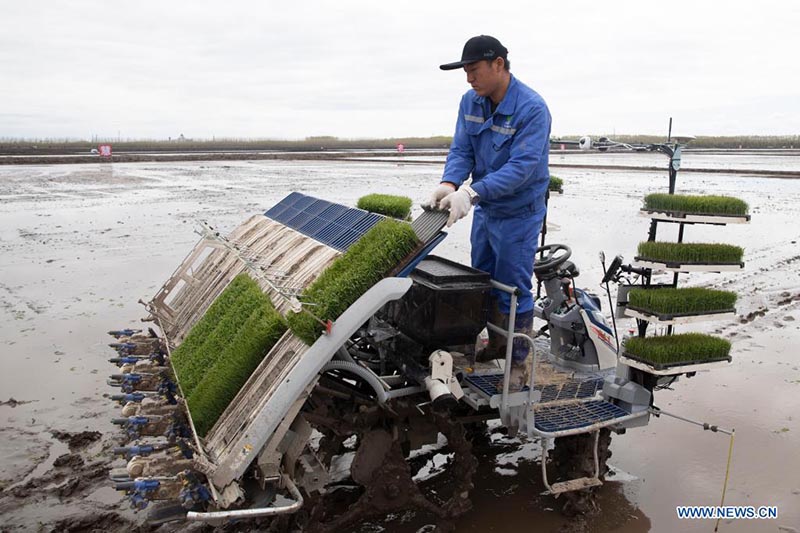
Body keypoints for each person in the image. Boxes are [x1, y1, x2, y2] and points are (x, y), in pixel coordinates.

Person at [430, 35, 551, 390]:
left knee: (512, 284)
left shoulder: (531, 108)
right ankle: (494, 343)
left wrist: (473, 191)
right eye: (465, 72)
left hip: (518, 211)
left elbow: (523, 167)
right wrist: (451, 184)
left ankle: (516, 364)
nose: (469, 78)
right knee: (481, 278)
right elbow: (462, 150)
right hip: (485, 209)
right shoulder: (471, 102)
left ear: (498, 64)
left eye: (474, 70)